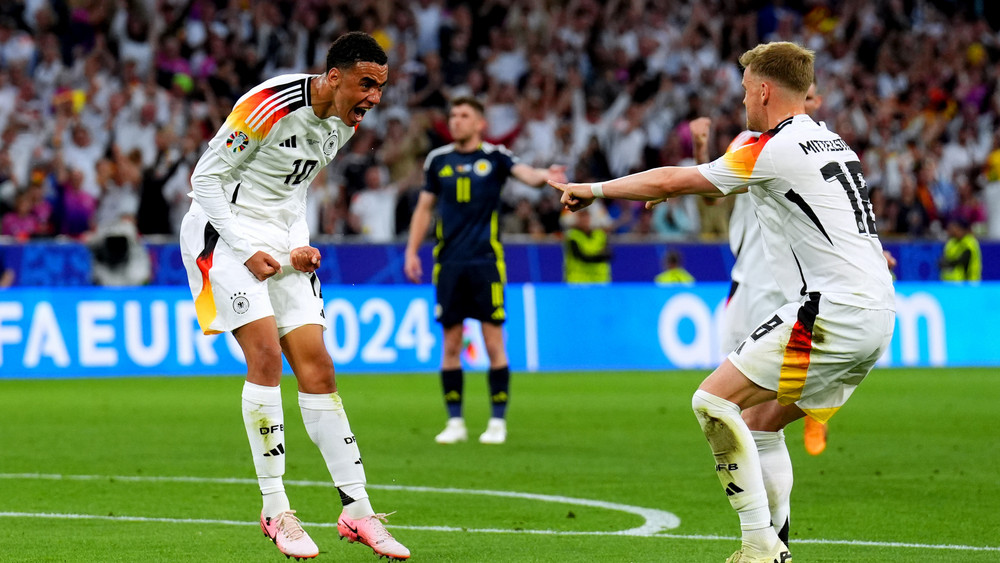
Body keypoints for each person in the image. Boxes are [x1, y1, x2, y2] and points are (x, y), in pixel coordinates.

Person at [550, 42, 895, 563]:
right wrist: (671, 187)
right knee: (759, 427)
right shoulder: (831, 142)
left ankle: (758, 545)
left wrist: (592, 189)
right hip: (877, 314)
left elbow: (673, 179)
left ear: (763, 90)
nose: (742, 102)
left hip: (829, 313)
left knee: (712, 402)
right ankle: (776, 547)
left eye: (743, 91)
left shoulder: (772, 147)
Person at [178, 32, 409, 561]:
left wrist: (297, 244)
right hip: (223, 234)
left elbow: (294, 190)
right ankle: (275, 507)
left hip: (279, 242)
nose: (374, 98)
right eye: (366, 84)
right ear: (334, 77)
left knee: (319, 369)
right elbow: (205, 180)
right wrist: (244, 248)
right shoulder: (267, 105)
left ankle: (356, 510)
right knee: (264, 357)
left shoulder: (343, 125)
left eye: (381, 87)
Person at [404, 96, 566, 445]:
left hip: (486, 263)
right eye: (453, 114)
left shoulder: (495, 157)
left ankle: (497, 422)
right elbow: (423, 210)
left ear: (480, 123)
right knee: (450, 343)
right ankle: (455, 422)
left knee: (494, 342)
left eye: (464, 115)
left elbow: (528, 175)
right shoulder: (438, 160)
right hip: (447, 264)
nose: (456, 120)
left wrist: (546, 176)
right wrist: (412, 251)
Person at [694, 80, 833, 458]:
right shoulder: (748, 142)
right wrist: (699, 149)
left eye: (807, 96)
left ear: (816, 101)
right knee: (733, 399)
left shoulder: (825, 147)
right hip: (750, 280)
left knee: (763, 411)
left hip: (797, 291)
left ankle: (811, 412)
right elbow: (711, 191)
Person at [563, 206, 612, 283]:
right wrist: (599, 255)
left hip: (600, 280)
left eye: (586, 217)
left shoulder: (600, 235)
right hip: (578, 281)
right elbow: (581, 256)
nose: (585, 220)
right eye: (582, 217)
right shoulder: (573, 236)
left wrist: (591, 255)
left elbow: (609, 254)